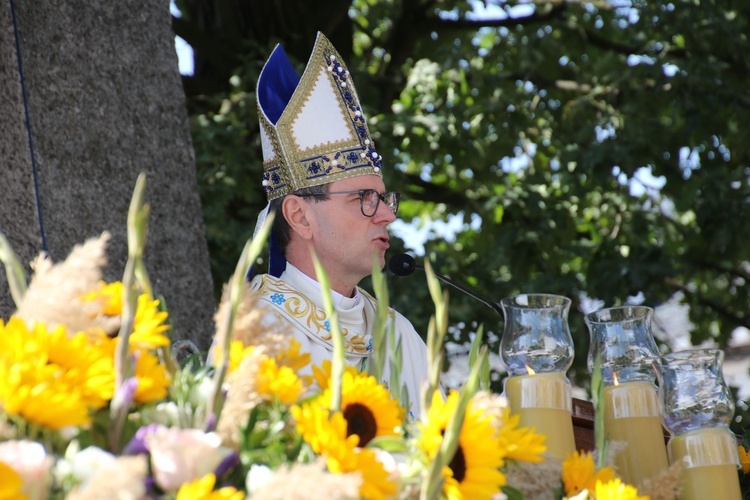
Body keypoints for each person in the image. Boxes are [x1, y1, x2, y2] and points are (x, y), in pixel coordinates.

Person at [249, 32, 429, 417]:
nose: (388, 215)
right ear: (300, 216)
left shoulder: (399, 336)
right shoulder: (256, 331)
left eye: (383, 199)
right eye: (363, 200)